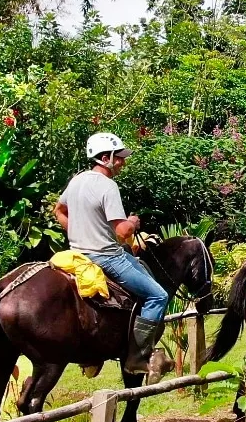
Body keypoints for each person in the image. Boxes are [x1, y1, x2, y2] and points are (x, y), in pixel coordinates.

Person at [54, 133, 169, 378]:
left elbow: (59, 210)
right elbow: (122, 231)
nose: (122, 163)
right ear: (105, 158)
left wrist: (76, 230)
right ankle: (137, 358)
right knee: (158, 295)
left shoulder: (76, 181)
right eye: (119, 159)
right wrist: (133, 222)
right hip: (107, 257)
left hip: (77, 254)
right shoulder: (107, 185)